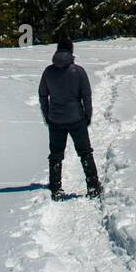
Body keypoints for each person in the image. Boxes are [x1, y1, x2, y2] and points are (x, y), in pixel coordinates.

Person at [37, 38, 101, 200]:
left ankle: (55, 186)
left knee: (56, 154)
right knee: (85, 152)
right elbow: (86, 95)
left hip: (56, 119)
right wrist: (88, 115)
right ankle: (93, 185)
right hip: (76, 118)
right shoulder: (78, 71)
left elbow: (43, 95)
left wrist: (47, 115)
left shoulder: (48, 71)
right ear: (71, 51)